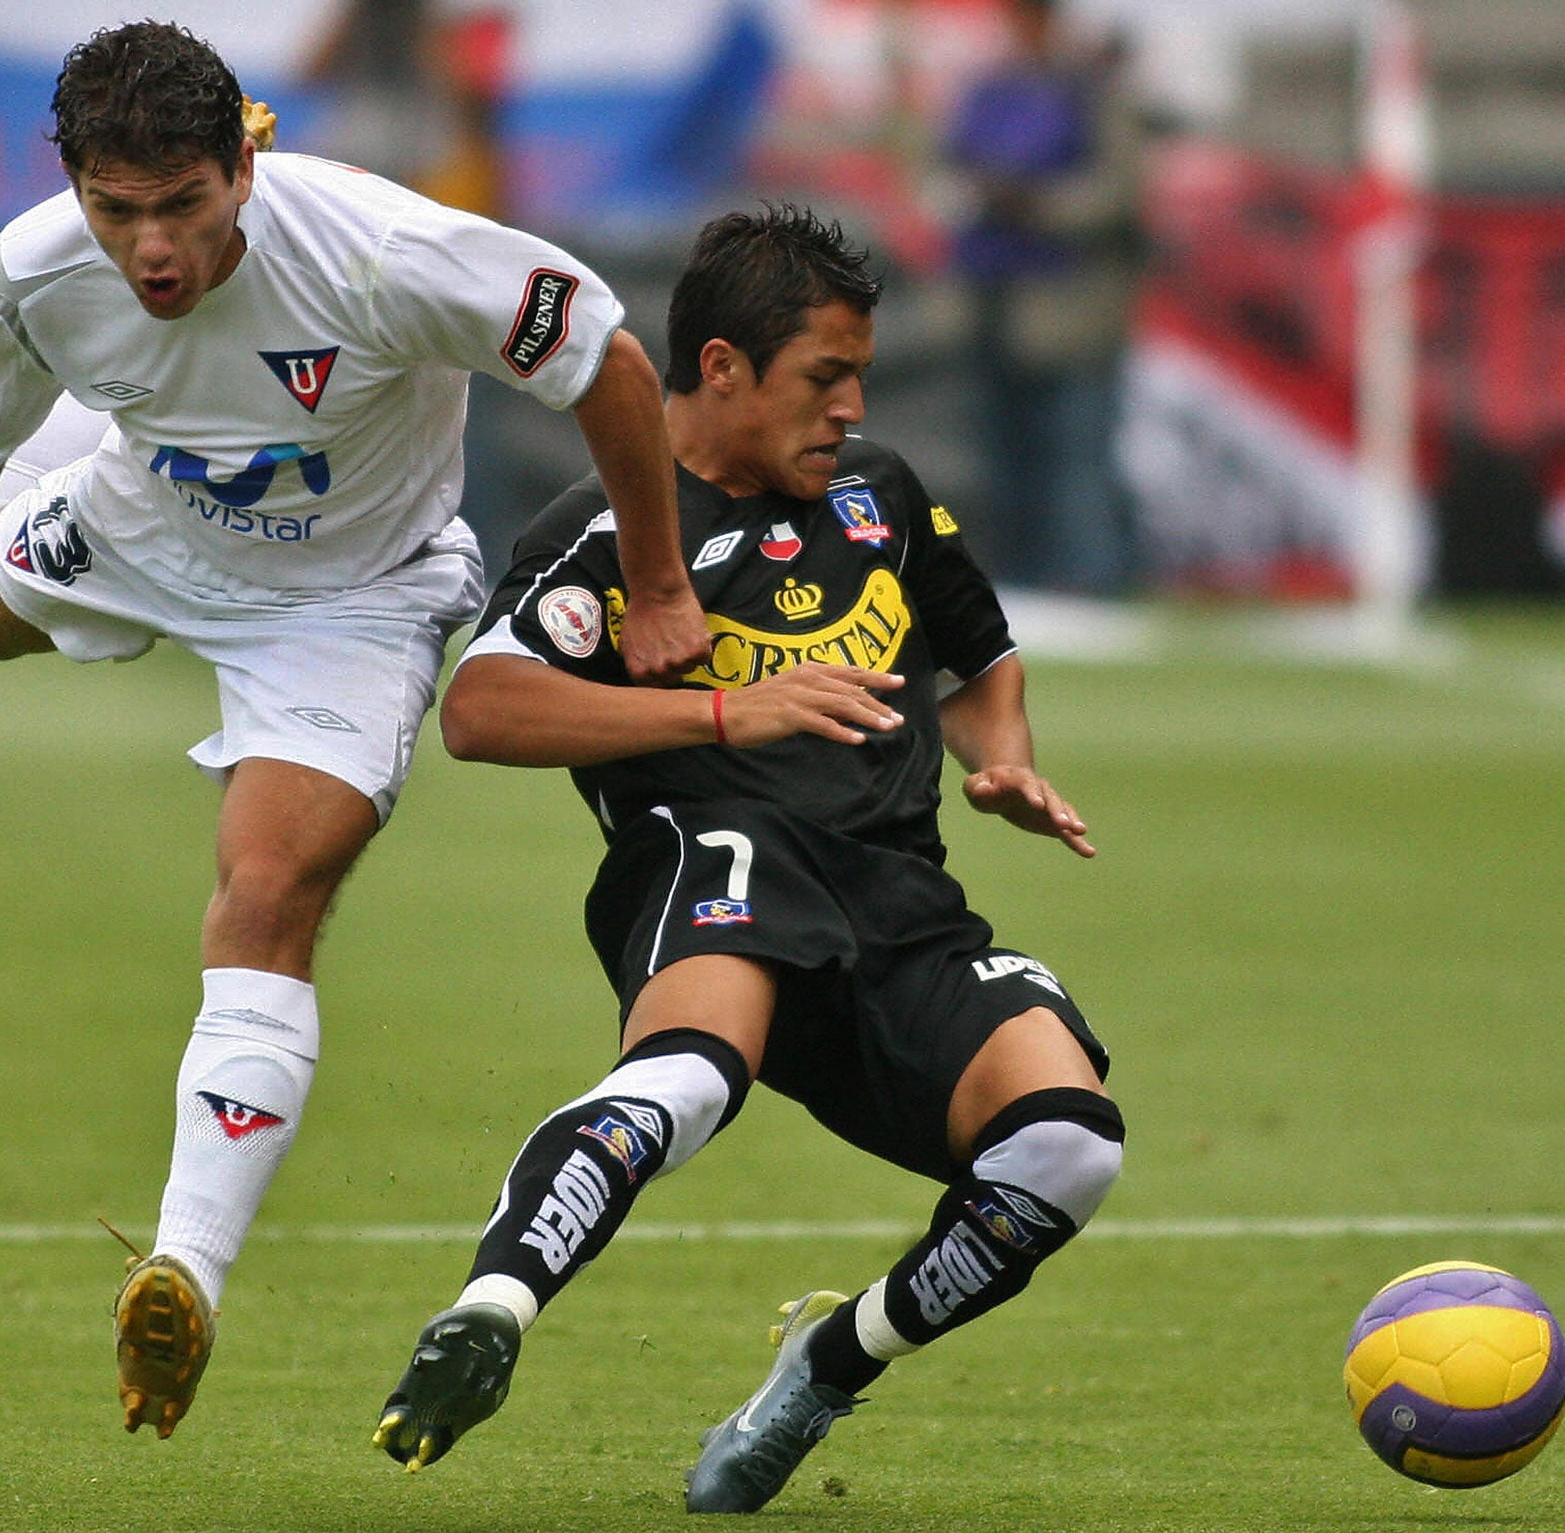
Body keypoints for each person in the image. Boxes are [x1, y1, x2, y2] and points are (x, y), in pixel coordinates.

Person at [0, 19, 707, 1441]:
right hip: (145, 521)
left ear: (246, 159)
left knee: (268, 888)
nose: (150, 246)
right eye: (117, 210)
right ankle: (75, 469)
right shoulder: (39, 267)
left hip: (346, 600)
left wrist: (659, 584)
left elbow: (610, 364)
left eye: (181, 205)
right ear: (77, 188)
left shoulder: (381, 254)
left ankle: (183, 1273)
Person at [372, 205, 1123, 1512]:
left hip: (900, 908)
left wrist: (998, 757)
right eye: (824, 377)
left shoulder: (880, 495)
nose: (850, 407)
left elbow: (981, 654)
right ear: (722, 368)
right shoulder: (609, 531)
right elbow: (480, 711)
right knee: (687, 1083)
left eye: (860, 379)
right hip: (718, 866)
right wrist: (721, 711)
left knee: (1069, 1150)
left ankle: (827, 1368)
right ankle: (488, 1312)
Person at [945, 0, 1145, 595]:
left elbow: (1121, 188)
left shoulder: (1091, 90)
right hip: (989, 301)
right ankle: (1021, 580)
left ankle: (1092, 580)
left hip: (1070, 306)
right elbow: (939, 169)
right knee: (1003, 457)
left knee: (1076, 453)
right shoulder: (984, 89)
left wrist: (1037, 205)